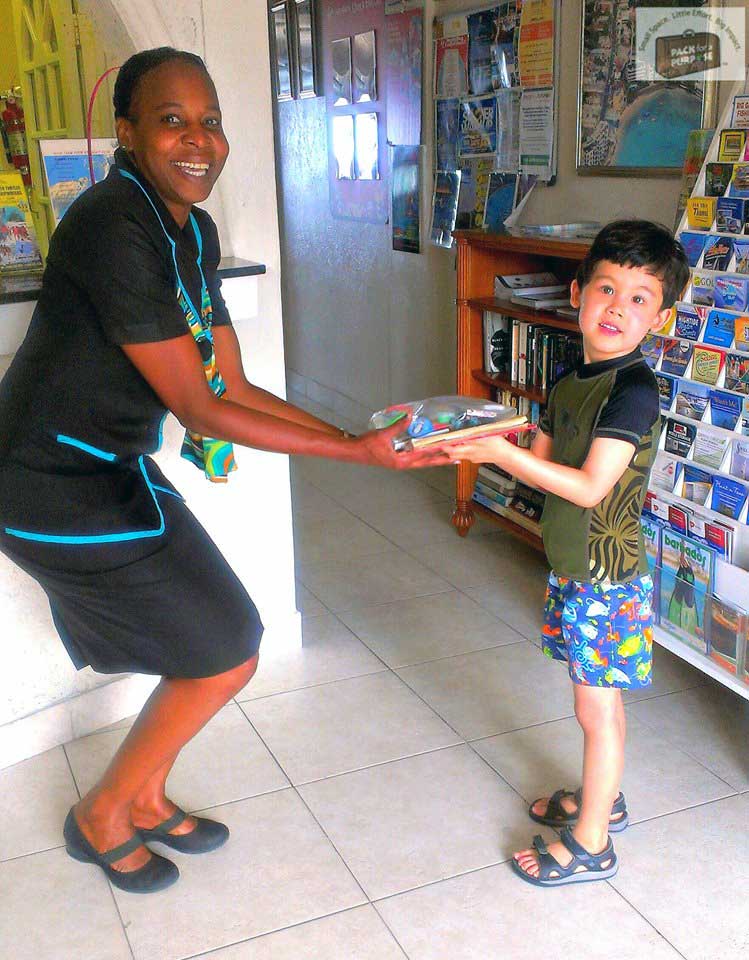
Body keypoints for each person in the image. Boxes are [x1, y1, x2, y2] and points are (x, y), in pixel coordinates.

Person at [0, 47, 452, 894]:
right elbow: (206, 413)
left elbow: (232, 382)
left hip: (107, 464)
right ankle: (102, 813)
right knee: (225, 648)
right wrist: (359, 455)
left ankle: (142, 794)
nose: (199, 139)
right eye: (173, 120)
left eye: (210, 120)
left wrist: (358, 433)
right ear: (129, 133)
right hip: (42, 482)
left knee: (217, 641)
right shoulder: (109, 224)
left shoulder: (193, 231)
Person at [451, 220, 689, 886]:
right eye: (606, 288)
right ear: (578, 292)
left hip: (605, 579)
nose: (617, 306)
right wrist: (485, 440)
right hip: (571, 570)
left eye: (639, 298)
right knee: (592, 703)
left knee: (596, 708)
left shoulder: (633, 392)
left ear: (660, 317)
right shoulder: (569, 379)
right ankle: (598, 799)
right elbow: (540, 466)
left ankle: (592, 841)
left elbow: (587, 487)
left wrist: (499, 452)